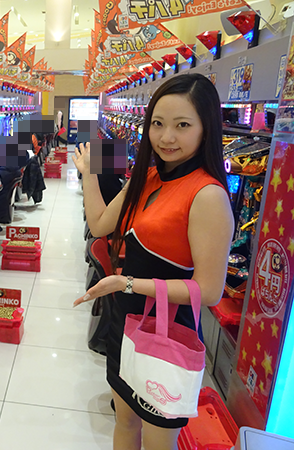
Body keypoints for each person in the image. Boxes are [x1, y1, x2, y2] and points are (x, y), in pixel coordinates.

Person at [72, 74, 233, 450]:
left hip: (168, 332)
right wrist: (89, 174)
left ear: (206, 128)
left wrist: (127, 283)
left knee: (159, 441)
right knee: (125, 421)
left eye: (182, 125)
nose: (166, 137)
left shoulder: (207, 195)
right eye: (158, 124)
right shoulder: (147, 177)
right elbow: (100, 224)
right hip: (125, 319)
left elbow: (208, 290)